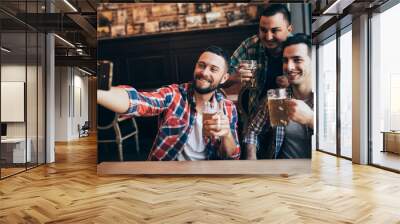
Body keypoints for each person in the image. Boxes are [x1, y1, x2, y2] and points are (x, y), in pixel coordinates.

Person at [97, 46, 240, 161]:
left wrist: (226, 135)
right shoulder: (174, 94)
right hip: (168, 175)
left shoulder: (227, 108)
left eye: (213, 69)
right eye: (201, 65)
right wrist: (99, 92)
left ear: (224, 78)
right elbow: (138, 101)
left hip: (209, 177)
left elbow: (232, 157)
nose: (204, 72)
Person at [244, 33, 313, 160]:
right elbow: (252, 130)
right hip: (282, 176)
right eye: (285, 61)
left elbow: (343, 139)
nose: (289, 67)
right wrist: (251, 159)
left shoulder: (327, 98)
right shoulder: (277, 97)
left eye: (297, 60)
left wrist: (311, 120)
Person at [227, 4, 293, 118]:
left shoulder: (299, 47)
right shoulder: (250, 45)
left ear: (289, 29)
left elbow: (312, 85)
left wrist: (293, 84)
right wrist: (234, 76)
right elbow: (221, 76)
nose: (268, 37)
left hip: (290, 120)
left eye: (275, 30)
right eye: (263, 30)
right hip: (256, 118)